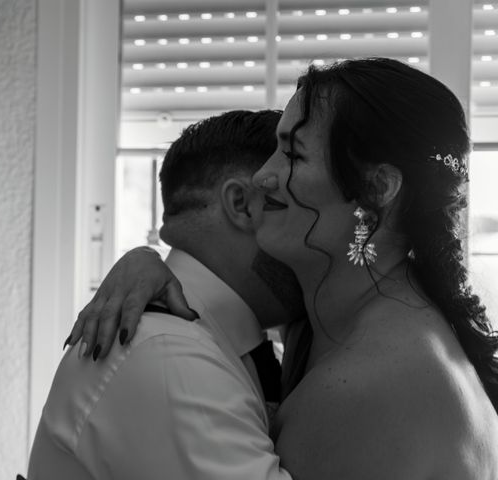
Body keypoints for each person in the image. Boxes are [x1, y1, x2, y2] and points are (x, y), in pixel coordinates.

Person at [72, 58, 498, 479]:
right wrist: (146, 261)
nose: (263, 175)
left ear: (377, 188)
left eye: (292, 155)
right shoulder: (333, 318)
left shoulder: (369, 380)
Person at [27, 110, 307, 480]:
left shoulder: (222, 341)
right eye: (303, 207)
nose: (316, 239)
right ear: (242, 204)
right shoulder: (170, 355)